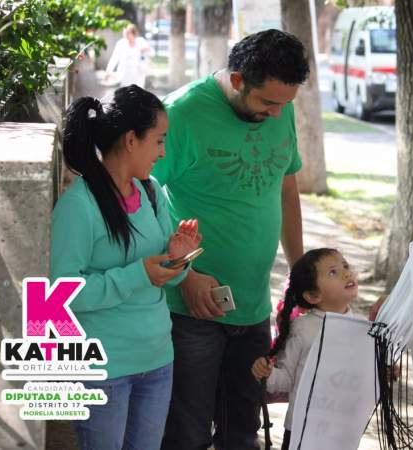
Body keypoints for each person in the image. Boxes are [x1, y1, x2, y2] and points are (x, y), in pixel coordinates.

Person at [153, 29, 308, 450]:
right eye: (268, 103)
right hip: (190, 312)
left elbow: (286, 188)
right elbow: (141, 201)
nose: (277, 114)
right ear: (237, 80)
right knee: (185, 435)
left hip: (253, 308)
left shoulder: (280, 107)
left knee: (242, 433)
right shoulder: (180, 114)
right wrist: (183, 276)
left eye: (285, 103)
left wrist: (301, 271)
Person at [51, 85, 201, 450]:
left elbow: (165, 275)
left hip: (158, 360)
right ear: (131, 140)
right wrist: (138, 274)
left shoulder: (151, 191)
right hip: (102, 370)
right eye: (159, 140)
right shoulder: (78, 206)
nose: (163, 152)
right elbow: (57, 297)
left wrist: (178, 258)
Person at [251, 248, 361, 450]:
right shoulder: (303, 329)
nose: (346, 273)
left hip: (343, 435)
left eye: (345, 266)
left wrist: (386, 370)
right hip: (300, 432)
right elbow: (286, 380)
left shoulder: (363, 329)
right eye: (333, 272)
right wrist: (266, 373)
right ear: (312, 295)